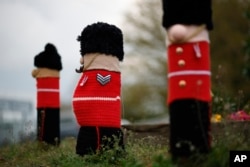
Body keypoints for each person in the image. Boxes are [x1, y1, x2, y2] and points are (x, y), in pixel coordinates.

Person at [161, 0, 213, 158]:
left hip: (197, 93)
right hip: (178, 95)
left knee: (198, 111)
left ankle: (199, 151)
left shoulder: (198, 38)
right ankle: (181, 151)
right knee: (179, 113)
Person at [72, 22, 125, 156]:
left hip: (104, 126)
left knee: (102, 148)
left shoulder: (106, 75)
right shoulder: (88, 74)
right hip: (87, 127)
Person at [32, 43, 62, 146]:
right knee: (54, 123)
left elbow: (33, 73)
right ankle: (55, 142)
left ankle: (42, 143)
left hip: (43, 102)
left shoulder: (40, 70)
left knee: (43, 125)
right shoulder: (56, 69)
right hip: (55, 103)